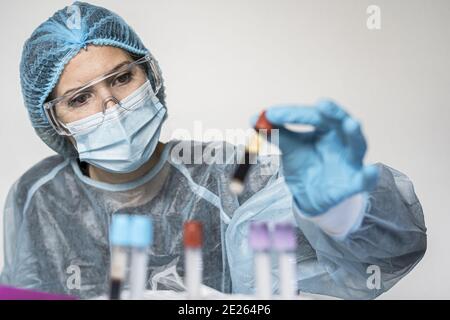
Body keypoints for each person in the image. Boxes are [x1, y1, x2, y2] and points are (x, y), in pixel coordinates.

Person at [0, 1, 426, 299]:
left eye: (122, 78)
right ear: (52, 121)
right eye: (80, 99)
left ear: (151, 76)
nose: (111, 107)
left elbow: (380, 261)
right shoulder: (35, 197)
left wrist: (341, 212)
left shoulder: (232, 177)